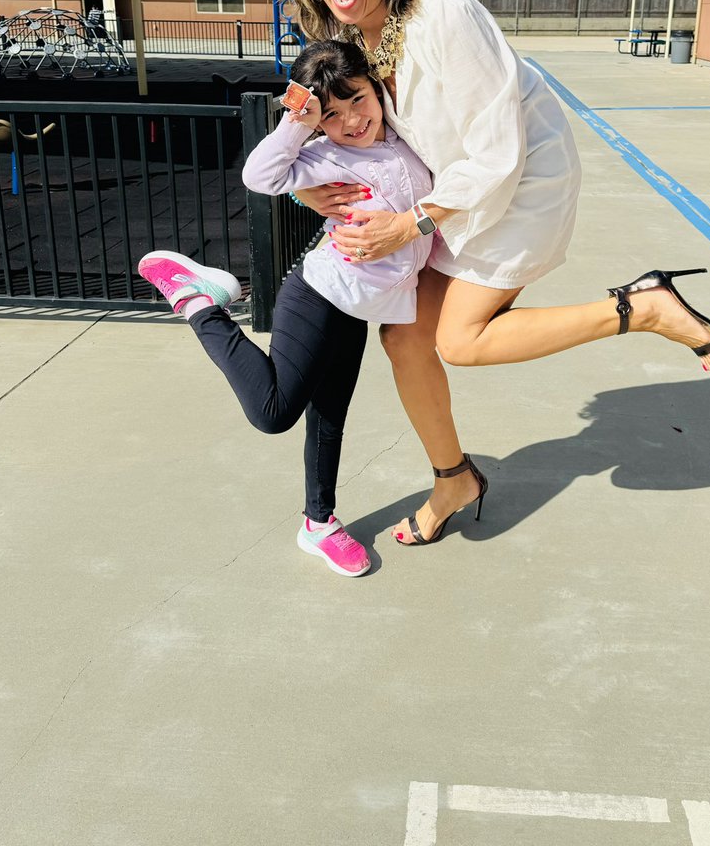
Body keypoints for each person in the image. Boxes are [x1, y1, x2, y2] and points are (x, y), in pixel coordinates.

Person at [282, 0, 710, 547]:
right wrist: (312, 184)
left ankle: (641, 306)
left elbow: (497, 154)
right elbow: (331, 129)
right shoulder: (348, 36)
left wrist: (410, 221)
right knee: (403, 337)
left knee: (458, 340)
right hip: (449, 187)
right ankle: (453, 476)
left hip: (521, 182)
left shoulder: (442, 17)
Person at [137, 38, 474, 578]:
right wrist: (298, 124)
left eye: (358, 100)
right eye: (333, 113)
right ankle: (199, 300)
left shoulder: (409, 140)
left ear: (378, 90)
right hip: (319, 292)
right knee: (273, 412)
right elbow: (260, 176)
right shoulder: (327, 155)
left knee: (330, 420)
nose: (352, 120)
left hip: (359, 309)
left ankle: (318, 524)